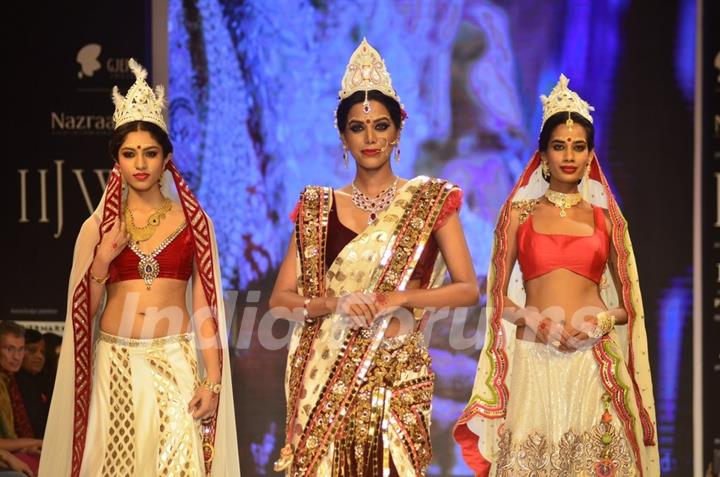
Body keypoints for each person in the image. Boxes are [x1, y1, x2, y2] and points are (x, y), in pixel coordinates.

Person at [269, 38, 479, 477]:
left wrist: (394, 300)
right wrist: (335, 304)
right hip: (326, 376)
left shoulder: (429, 200)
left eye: (381, 126)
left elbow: (467, 290)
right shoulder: (315, 207)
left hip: (397, 375)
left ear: (397, 131)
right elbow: (281, 300)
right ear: (343, 136)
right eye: (358, 128)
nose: (371, 138)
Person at [39, 59, 240, 476]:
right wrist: (102, 260)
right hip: (114, 365)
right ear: (117, 160)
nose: (141, 163)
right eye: (130, 154)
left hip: (175, 363)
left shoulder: (194, 223)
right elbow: (83, 314)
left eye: (150, 153)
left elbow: (206, 306)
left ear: (167, 158)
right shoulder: (98, 227)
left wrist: (213, 380)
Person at [453, 74, 659, 476]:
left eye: (578, 147)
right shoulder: (517, 215)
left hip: (592, 360)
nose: (569, 155)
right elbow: (497, 297)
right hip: (534, 358)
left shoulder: (607, 220)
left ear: (590, 155)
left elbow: (628, 306)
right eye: (559, 146)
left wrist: (600, 321)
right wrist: (531, 317)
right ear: (543, 155)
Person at [0, 322, 41, 475]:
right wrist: (37, 442)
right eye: (9, 349)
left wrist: (26, 447)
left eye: (21, 349)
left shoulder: (9, 380)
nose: (17, 357)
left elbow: (10, 438)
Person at [15, 330, 52, 438]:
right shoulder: (9, 383)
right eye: (32, 350)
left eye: (43, 352)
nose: (39, 356)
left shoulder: (45, 382)